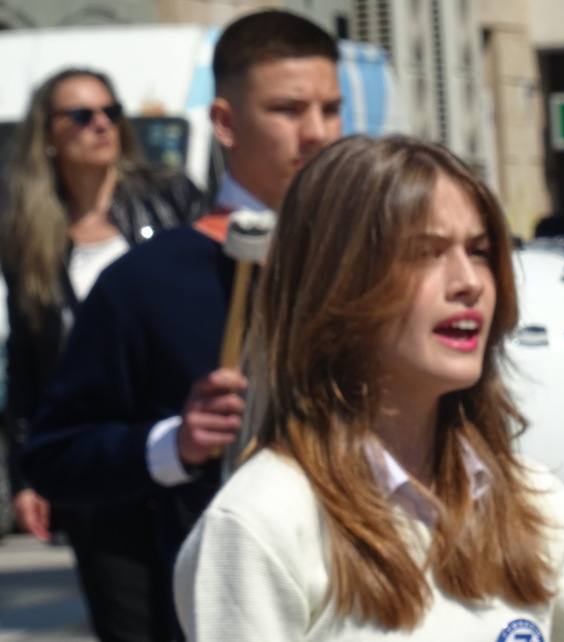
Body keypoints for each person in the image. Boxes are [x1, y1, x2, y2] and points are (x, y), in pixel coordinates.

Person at [172, 134, 564, 641]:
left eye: (480, 251)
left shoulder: (530, 501)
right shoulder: (260, 523)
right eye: (426, 253)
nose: (469, 282)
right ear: (337, 283)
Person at [19, 9, 342, 642]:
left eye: (330, 110)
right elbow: (56, 455)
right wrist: (176, 444)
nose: (316, 133)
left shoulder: (382, 260)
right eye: (287, 110)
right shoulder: (145, 282)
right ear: (225, 122)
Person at [0, 66, 205, 637]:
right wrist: (27, 473)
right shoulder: (30, 233)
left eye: (111, 112)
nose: (101, 125)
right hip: (100, 459)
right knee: (127, 625)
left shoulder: (171, 196)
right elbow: (28, 360)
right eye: (81, 115)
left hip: (184, 442)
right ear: (47, 135)